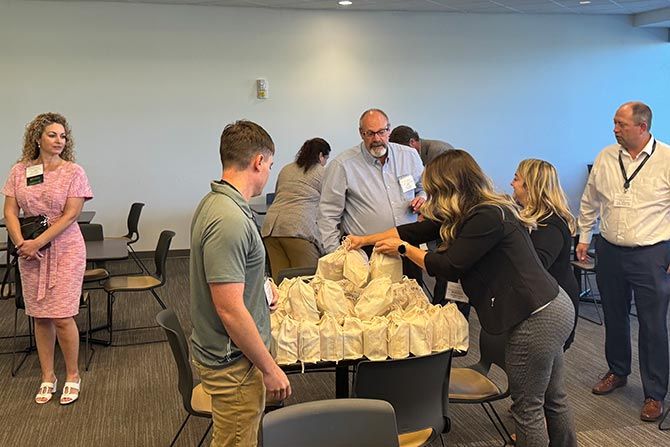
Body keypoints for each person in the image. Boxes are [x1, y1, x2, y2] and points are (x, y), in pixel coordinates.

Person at [348, 150, 577, 447]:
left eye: (434, 190)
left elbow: (449, 266)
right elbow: (415, 230)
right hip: (551, 307)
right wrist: (365, 240)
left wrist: (404, 250)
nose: (429, 197)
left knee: (528, 408)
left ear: (449, 186)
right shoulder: (474, 211)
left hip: (535, 317)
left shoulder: (486, 216)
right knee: (553, 398)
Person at [190, 120, 291, 446]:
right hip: (234, 364)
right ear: (258, 161)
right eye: (270, 165)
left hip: (233, 357)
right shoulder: (229, 219)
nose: (269, 172)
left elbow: (234, 276)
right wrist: (269, 368)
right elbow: (229, 309)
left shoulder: (219, 203)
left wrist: (261, 290)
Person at [577, 101, 670, 422]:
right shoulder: (606, 157)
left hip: (651, 253)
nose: (614, 129)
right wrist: (584, 237)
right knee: (614, 316)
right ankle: (617, 371)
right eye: (614, 123)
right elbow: (590, 200)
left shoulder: (666, 159)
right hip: (610, 250)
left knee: (652, 324)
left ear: (642, 127)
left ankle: (654, 393)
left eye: (621, 124)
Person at [2, 112, 93, 405]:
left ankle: (73, 375)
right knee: (40, 316)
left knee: (62, 315)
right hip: (30, 251)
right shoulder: (20, 171)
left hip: (65, 249)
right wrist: (21, 243)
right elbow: (10, 211)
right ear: (37, 138)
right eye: (52, 135)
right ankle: (47, 376)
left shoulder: (73, 172)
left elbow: (71, 214)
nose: (59, 140)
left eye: (63, 136)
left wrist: (38, 242)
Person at [318, 108, 425, 281]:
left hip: (407, 247)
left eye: (381, 132)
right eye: (370, 133)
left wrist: (423, 198)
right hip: (367, 252)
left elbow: (423, 188)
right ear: (361, 133)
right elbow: (327, 215)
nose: (377, 139)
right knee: (370, 298)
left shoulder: (409, 156)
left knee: (411, 296)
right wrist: (337, 256)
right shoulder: (343, 165)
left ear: (389, 130)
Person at [512, 159, 580, 351]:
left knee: (540, 362)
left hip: (554, 308)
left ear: (530, 185)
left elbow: (535, 266)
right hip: (545, 300)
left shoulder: (550, 224)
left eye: (516, 179)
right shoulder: (533, 217)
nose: (511, 183)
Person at [261, 137, 331, 281]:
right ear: (321, 156)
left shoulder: (286, 169)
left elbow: (278, 194)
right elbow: (331, 205)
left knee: (281, 282)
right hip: (298, 229)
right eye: (326, 158)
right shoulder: (322, 172)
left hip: (271, 229)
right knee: (307, 282)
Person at [389, 125, 455, 165]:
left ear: (412, 142)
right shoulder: (419, 153)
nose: (402, 155)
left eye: (403, 150)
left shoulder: (438, 151)